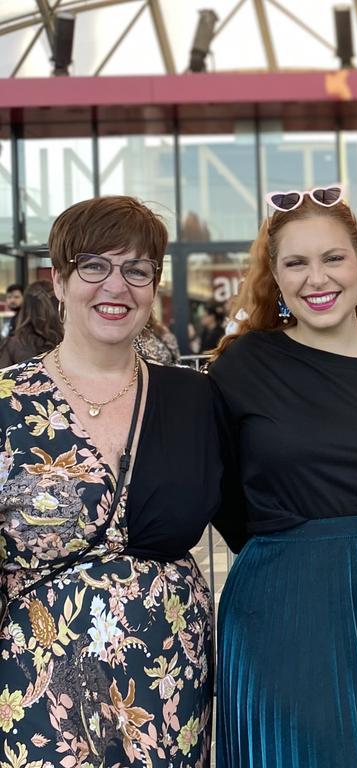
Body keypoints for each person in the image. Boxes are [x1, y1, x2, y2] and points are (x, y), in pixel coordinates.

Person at [208, 185, 357, 768]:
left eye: (333, 257)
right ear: (276, 276)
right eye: (297, 262)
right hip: (279, 602)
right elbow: (217, 486)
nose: (318, 278)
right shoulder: (243, 365)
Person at [0, 196, 223, 766]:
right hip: (35, 683)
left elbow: (262, 511)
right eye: (94, 266)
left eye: (136, 269)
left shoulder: (191, 398)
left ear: (154, 284)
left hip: (167, 679)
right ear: (59, 280)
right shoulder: (7, 401)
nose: (115, 286)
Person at [0, 280, 62, 367]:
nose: (12, 300)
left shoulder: (13, 345)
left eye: (16, 297)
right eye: (9, 297)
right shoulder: (69, 344)